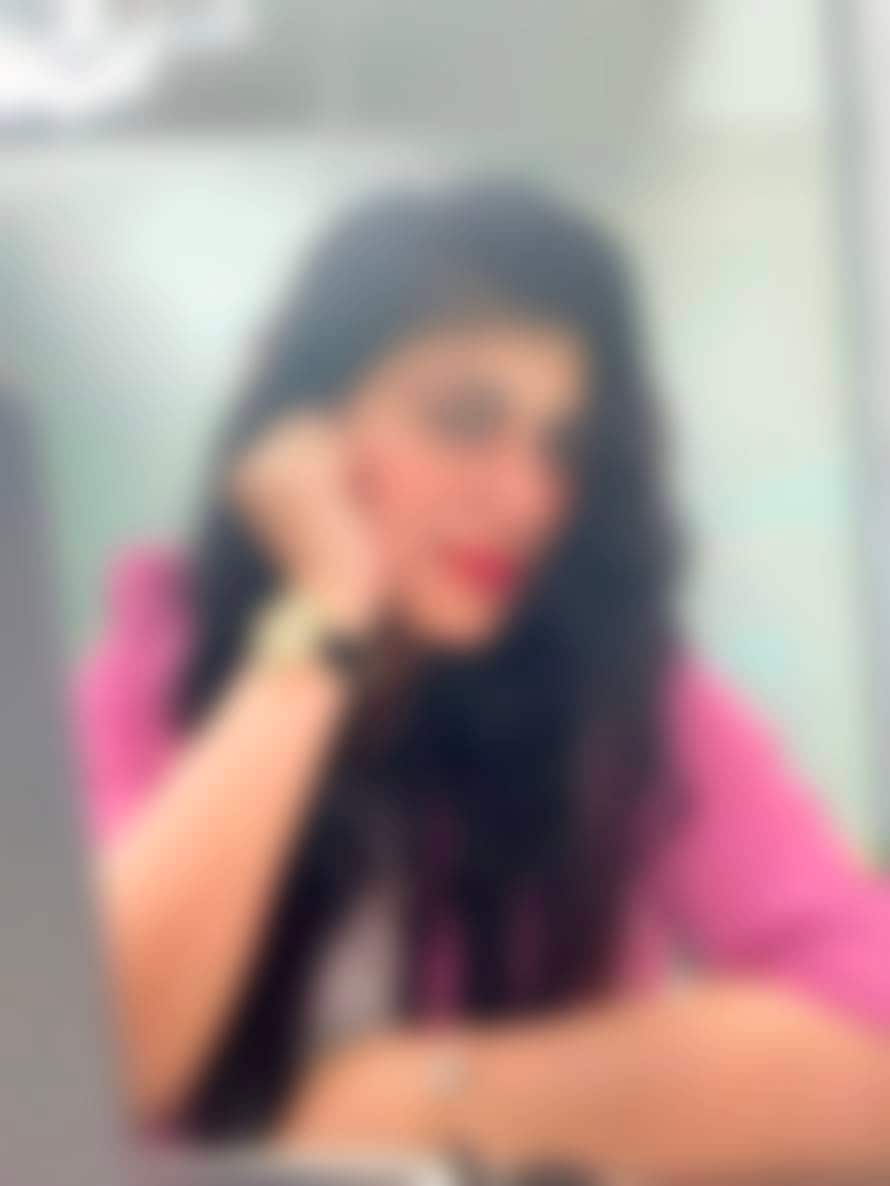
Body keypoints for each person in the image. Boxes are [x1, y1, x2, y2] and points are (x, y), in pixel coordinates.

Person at [75, 180, 890, 1179]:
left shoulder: (621, 694)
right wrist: (326, 610)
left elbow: (871, 1031)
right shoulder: (148, 677)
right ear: (303, 428)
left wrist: (422, 1099)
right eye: (465, 418)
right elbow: (93, 1064)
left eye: (561, 446)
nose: (522, 494)